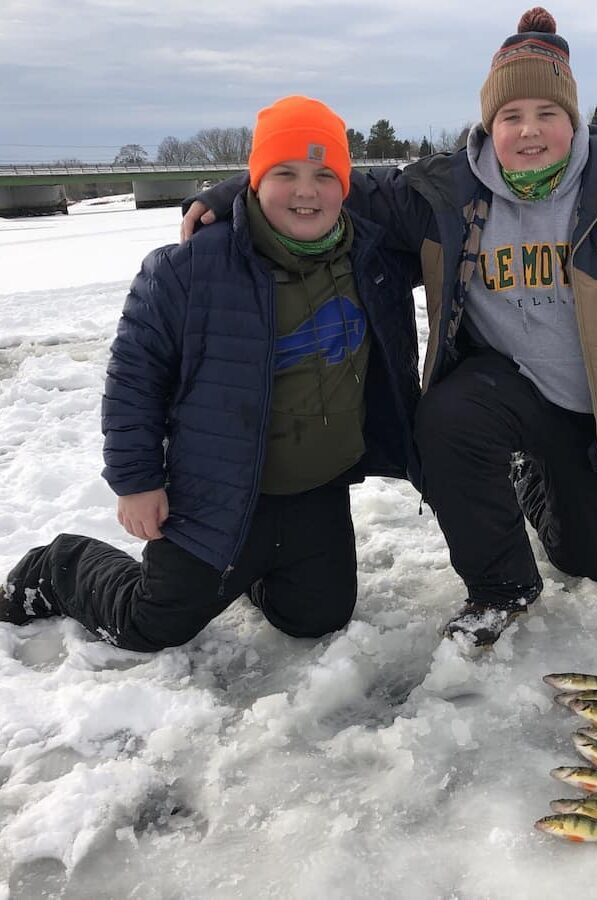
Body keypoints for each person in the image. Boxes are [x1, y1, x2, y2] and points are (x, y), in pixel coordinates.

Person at [180, 8, 597, 648]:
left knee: (595, 563)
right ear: (490, 124)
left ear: (573, 120)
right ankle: (501, 587)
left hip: (595, 407)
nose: (529, 131)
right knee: (444, 419)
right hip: (502, 387)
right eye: (510, 116)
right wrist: (235, 191)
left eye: (547, 113)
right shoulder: (448, 189)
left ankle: (532, 482)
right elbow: (343, 188)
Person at [0, 96, 420, 651]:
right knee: (148, 625)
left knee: (317, 619)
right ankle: (57, 567)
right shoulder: (189, 268)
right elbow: (133, 381)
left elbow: (419, 188)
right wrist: (136, 481)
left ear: (345, 185)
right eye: (284, 173)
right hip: (217, 493)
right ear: (254, 179)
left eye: (325, 176)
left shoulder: (373, 257)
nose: (306, 191)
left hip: (317, 490)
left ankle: (254, 574)